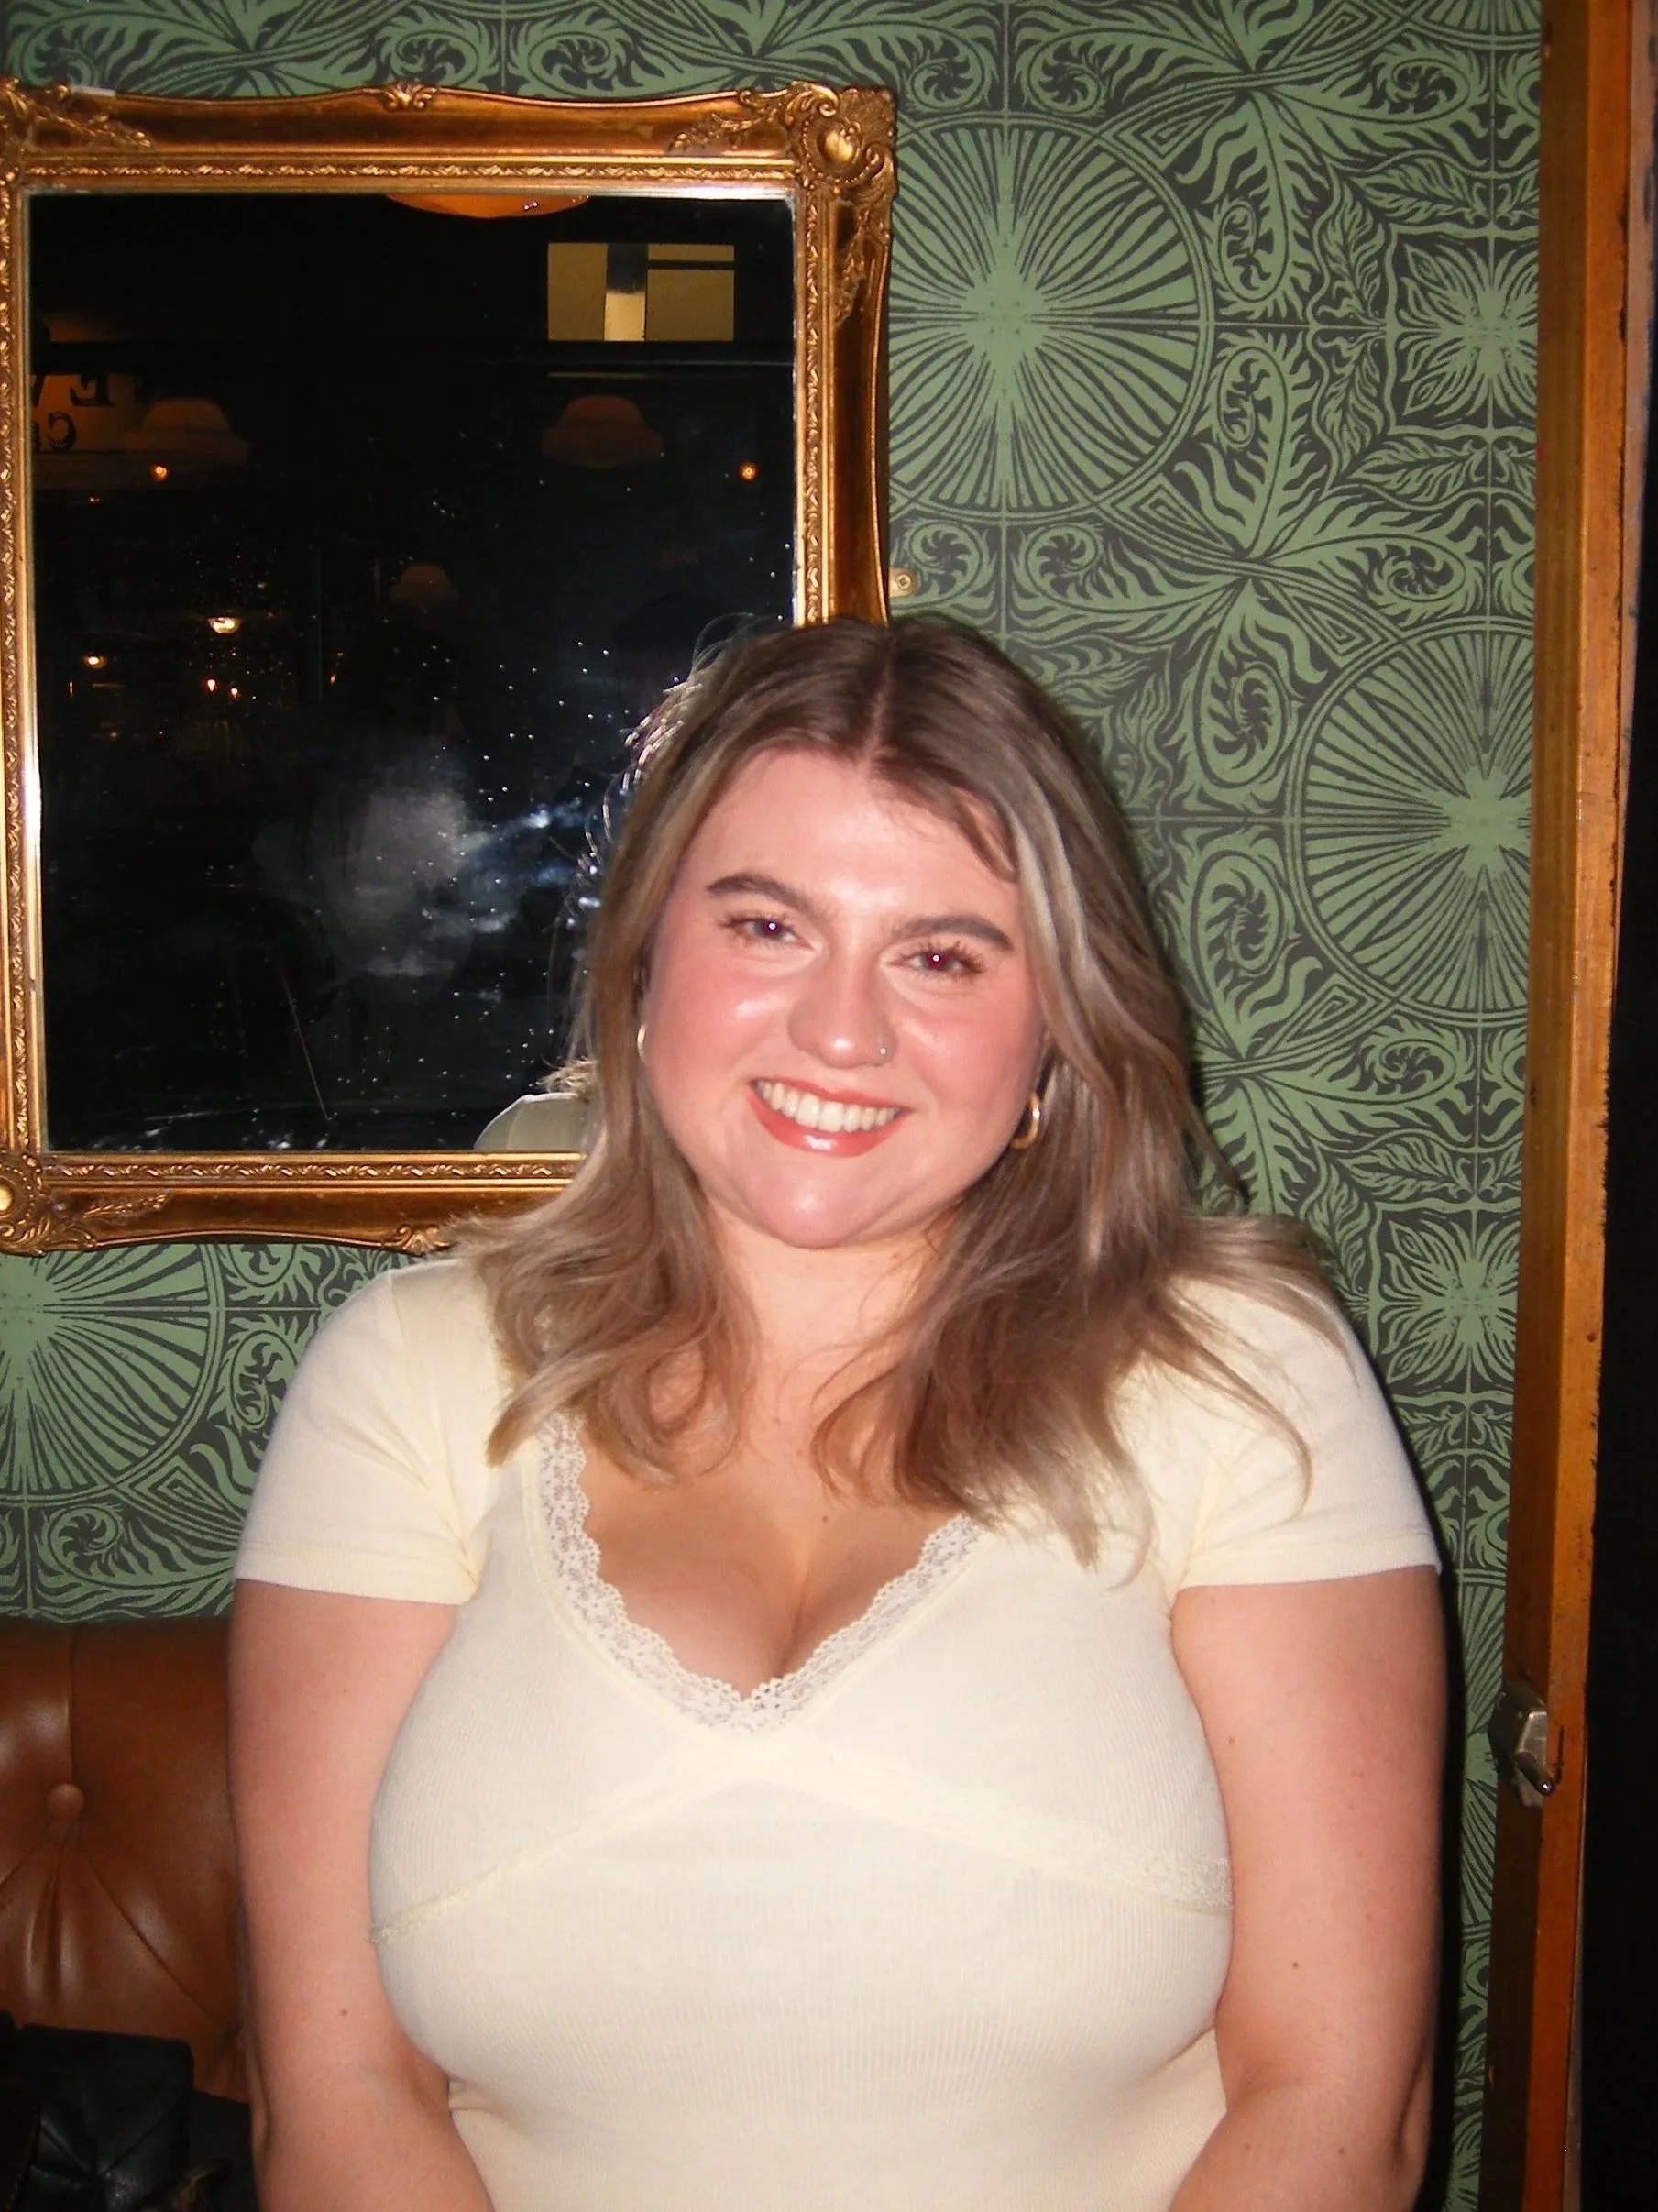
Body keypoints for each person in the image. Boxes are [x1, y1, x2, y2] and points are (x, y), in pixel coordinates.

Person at [229, 616, 1445, 2212]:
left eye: (942, 956)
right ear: (645, 963)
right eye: (767, 927)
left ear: (1055, 1031)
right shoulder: (404, 1380)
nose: (842, 1032)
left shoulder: (1243, 1373)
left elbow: (1340, 2112)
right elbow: (334, 2100)